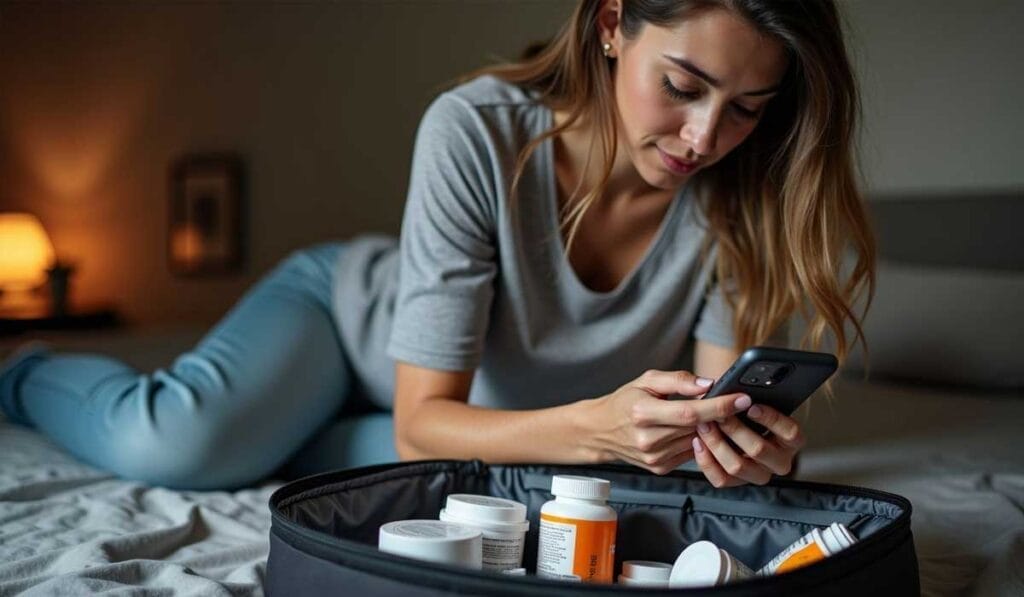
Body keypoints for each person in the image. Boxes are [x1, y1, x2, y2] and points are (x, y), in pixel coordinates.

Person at [0, 0, 874, 491]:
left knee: (475, 479)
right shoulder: (478, 130)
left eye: (749, 108)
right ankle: (27, 369)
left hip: (469, 417)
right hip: (345, 322)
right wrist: (602, 433)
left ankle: (286, 431)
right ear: (612, 24)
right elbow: (424, 419)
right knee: (179, 446)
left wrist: (758, 455)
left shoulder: (750, 202)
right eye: (682, 86)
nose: (704, 135)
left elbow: (709, 424)